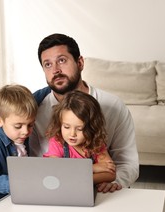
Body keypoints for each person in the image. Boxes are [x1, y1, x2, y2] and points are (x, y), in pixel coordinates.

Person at [31, 33, 139, 192]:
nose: (55, 70)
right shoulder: (36, 110)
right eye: (47, 64)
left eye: (62, 60)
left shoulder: (114, 106)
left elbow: (127, 163)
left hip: (100, 191)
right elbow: (36, 164)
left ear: (80, 62)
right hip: (54, 189)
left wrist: (114, 182)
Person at [44, 90, 116, 185]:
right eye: (66, 127)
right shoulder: (58, 142)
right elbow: (55, 170)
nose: (72, 134)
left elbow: (110, 173)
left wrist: (79, 180)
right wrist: (92, 168)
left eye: (80, 128)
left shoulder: (96, 143)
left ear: (92, 127)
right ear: (59, 124)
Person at [0, 84, 38, 194]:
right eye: (18, 126)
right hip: (12, 195)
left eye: (31, 125)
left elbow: (40, 95)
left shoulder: (19, 127)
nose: (26, 131)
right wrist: (17, 184)